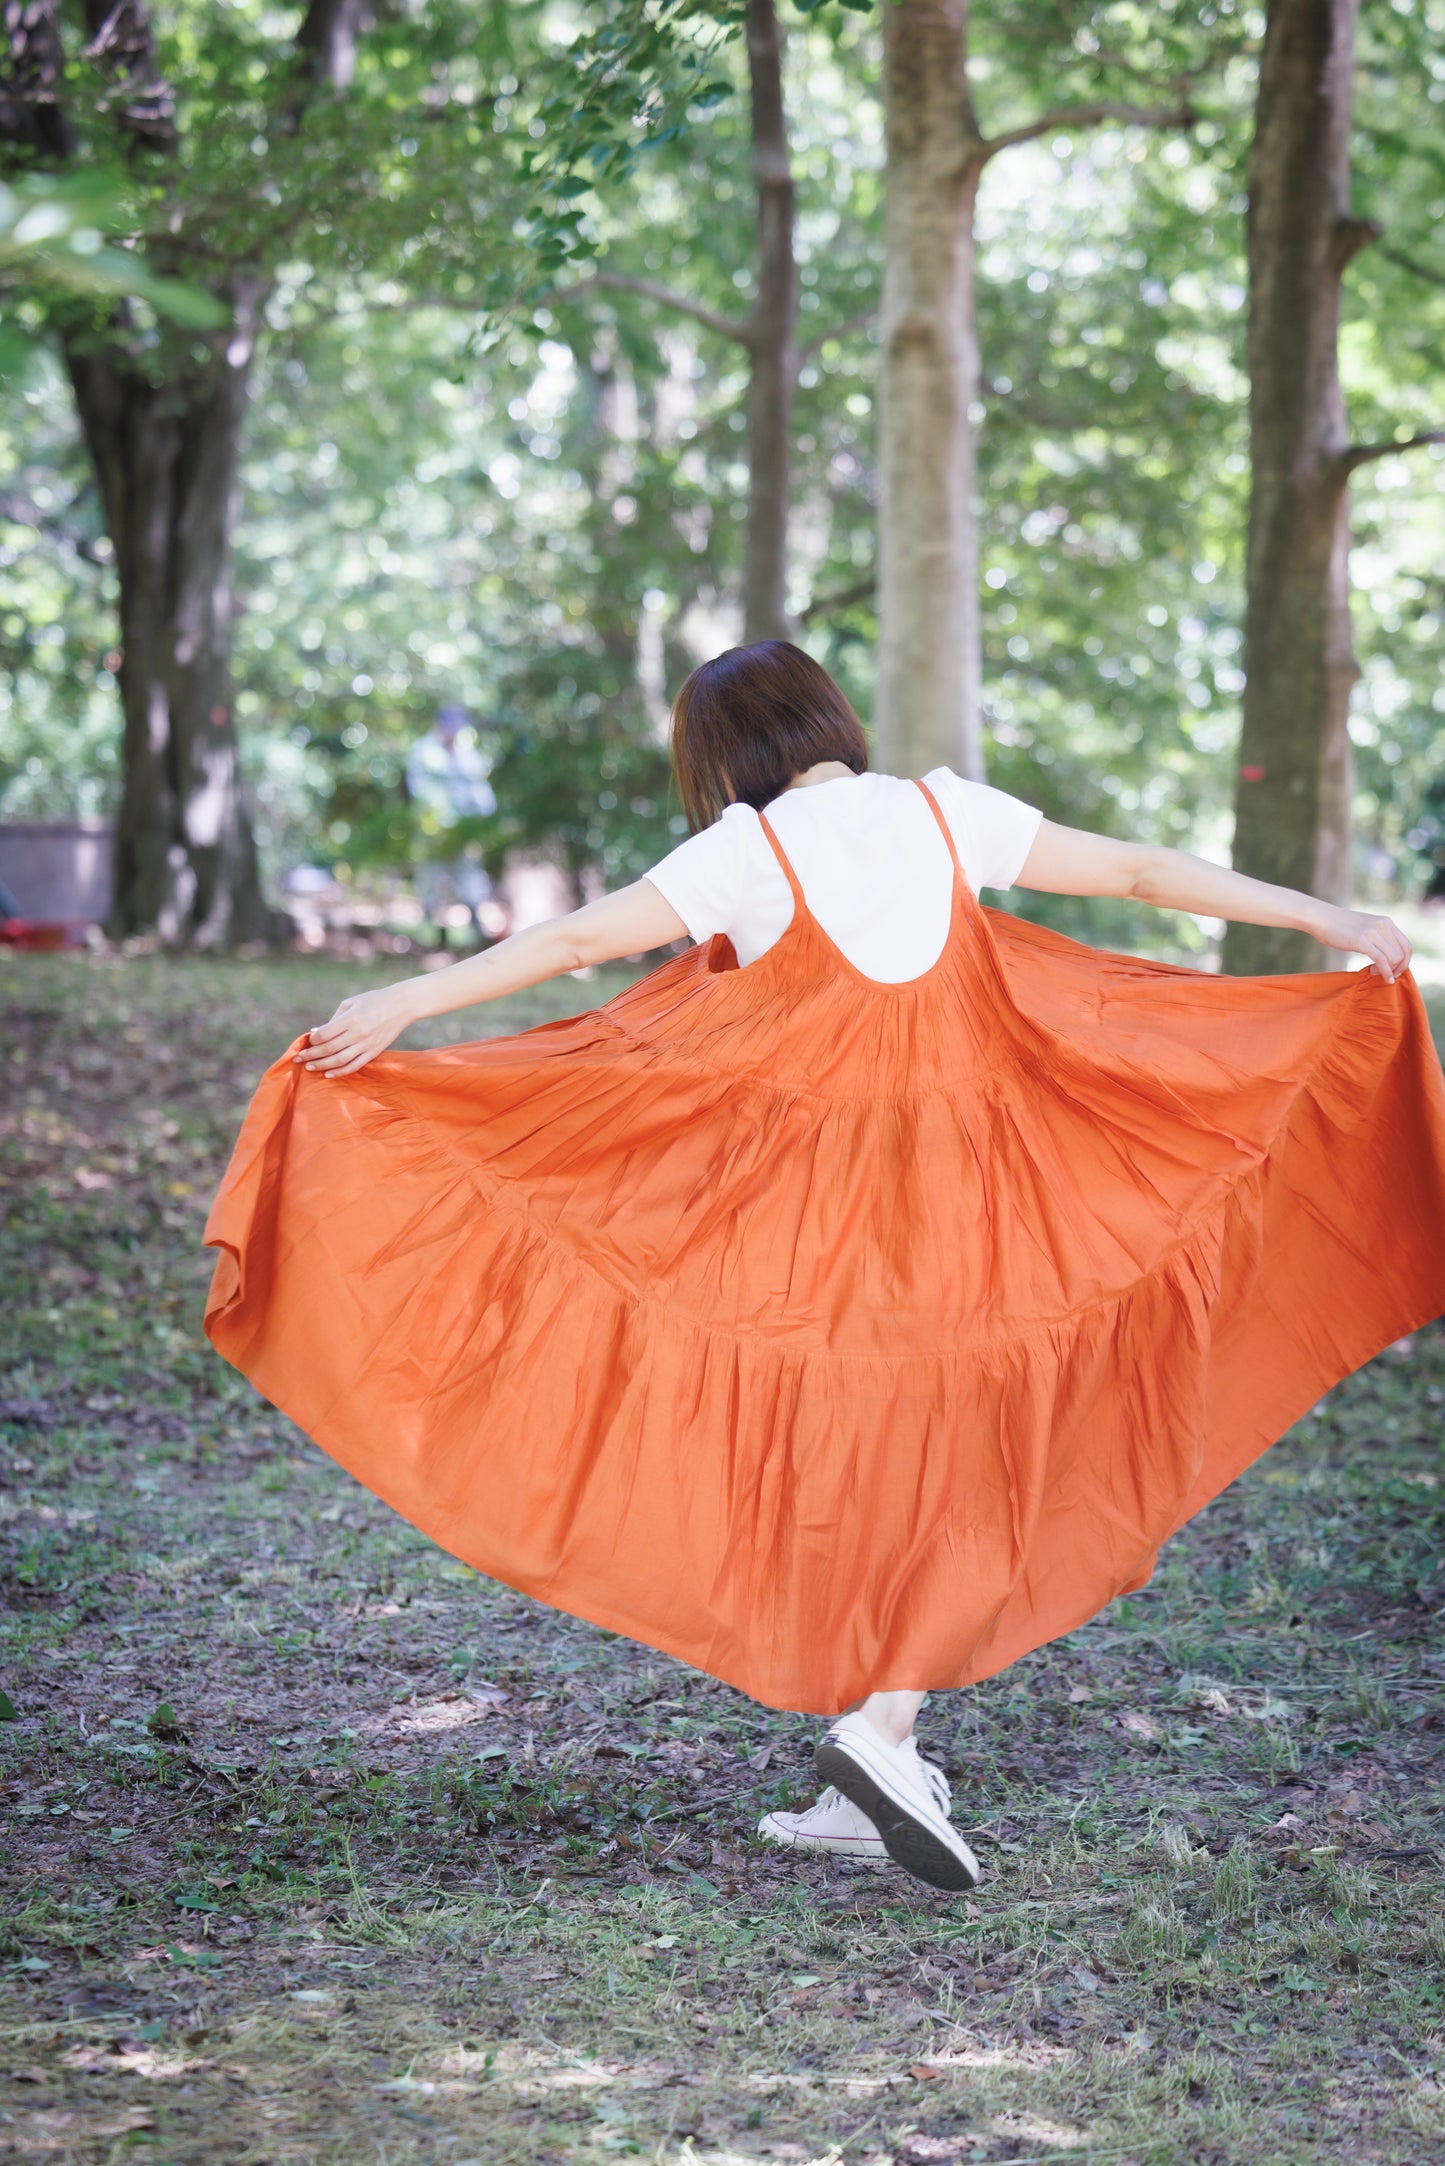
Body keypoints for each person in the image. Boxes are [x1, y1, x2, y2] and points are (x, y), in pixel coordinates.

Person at [205, 643, 1445, 1894]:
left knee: (861, 1461)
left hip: (815, 1242)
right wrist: (1326, 920)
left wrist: (411, 1003)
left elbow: (580, 940)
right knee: (970, 1455)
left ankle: (880, 1738)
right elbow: (1136, 872)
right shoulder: (940, 808)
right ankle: (880, 1735)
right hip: (987, 1206)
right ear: (828, 720)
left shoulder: (744, 854)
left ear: (722, 758)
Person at [404, 703, 497, 946]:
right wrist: (436, 821)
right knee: (431, 881)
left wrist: (485, 817)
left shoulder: (467, 753)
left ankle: (476, 932)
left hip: (464, 833)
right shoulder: (424, 751)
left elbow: (480, 789)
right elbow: (419, 791)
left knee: (469, 878)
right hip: (433, 831)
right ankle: (433, 934)